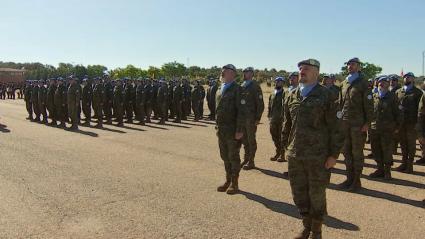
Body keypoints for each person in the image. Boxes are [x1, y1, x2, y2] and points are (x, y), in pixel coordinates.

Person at [282, 59, 342, 239]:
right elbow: (287, 124)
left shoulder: (327, 95)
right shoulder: (291, 94)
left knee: (316, 194)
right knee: (298, 193)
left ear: (316, 72)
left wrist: (333, 154)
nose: (301, 71)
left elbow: (336, 127)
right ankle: (306, 226)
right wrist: (286, 147)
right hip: (295, 154)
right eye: (300, 68)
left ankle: (317, 231)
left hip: (318, 156)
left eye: (306, 69)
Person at [338, 57, 373, 192]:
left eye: (353, 64)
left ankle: (356, 181)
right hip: (345, 124)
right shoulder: (344, 83)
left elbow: (369, 106)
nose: (350, 66)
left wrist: (367, 123)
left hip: (358, 125)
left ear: (359, 67)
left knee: (357, 153)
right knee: (346, 152)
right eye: (348, 64)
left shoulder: (364, 83)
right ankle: (349, 178)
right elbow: (340, 104)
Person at [215, 64, 245, 195]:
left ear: (232, 74)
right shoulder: (219, 89)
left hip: (233, 130)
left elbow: (242, 111)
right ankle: (228, 180)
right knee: (225, 156)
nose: (222, 73)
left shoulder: (238, 89)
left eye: (225, 71)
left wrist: (239, 130)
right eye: (222, 71)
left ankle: (235, 183)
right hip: (221, 130)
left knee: (233, 157)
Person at [369, 76, 401, 180]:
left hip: (387, 129)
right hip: (374, 128)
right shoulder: (374, 95)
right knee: (375, 150)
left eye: (384, 82)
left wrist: (397, 127)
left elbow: (399, 113)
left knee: (387, 150)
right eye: (379, 82)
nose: (381, 84)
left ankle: (387, 171)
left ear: (388, 84)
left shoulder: (393, 97)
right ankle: (380, 169)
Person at [395, 72, 423, 173]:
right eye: (405, 77)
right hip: (401, 123)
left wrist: (418, 124)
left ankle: (409, 165)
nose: (407, 78)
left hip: (412, 123)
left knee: (411, 144)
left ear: (413, 79)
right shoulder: (398, 91)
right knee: (402, 144)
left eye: (409, 77)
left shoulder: (418, 92)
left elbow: (420, 110)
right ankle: (403, 163)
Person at [240, 67, 264, 170]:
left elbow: (260, 104)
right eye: (244, 72)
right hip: (242, 118)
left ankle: (251, 161)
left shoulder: (255, 86)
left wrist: (257, 118)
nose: (245, 74)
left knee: (251, 140)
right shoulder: (242, 85)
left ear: (252, 74)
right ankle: (246, 158)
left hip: (251, 118)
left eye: (248, 72)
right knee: (244, 139)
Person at [268, 76, 286, 162]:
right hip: (273, 119)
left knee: (281, 137)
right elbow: (269, 106)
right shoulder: (272, 93)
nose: (278, 83)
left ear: (283, 83)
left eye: (280, 82)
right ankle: (278, 152)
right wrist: (269, 116)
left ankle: (282, 155)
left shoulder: (285, 93)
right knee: (274, 136)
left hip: (281, 119)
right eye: (277, 81)